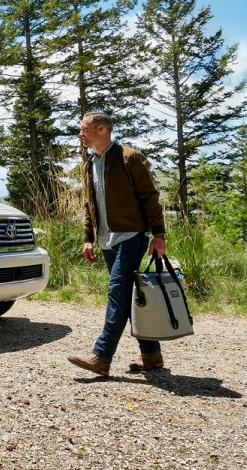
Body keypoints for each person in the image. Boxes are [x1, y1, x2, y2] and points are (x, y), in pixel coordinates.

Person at [67, 112, 167, 377]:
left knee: (117, 294)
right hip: (106, 241)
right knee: (130, 296)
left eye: (84, 129)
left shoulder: (130, 157)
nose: (81, 133)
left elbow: (149, 198)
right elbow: (89, 205)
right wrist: (88, 238)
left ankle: (101, 356)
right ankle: (151, 355)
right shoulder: (89, 164)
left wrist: (159, 235)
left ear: (101, 129)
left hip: (131, 237)